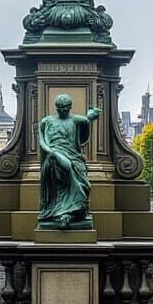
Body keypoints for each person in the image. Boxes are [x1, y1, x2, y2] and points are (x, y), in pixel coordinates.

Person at [37, 93, 100, 228]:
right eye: (60, 108)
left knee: (83, 181)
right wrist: (50, 152)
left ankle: (73, 212)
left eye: (66, 107)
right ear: (56, 108)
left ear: (70, 107)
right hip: (54, 155)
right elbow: (41, 140)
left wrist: (90, 118)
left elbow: (84, 137)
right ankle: (64, 214)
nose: (63, 110)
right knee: (62, 168)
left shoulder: (77, 120)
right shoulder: (46, 121)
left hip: (73, 156)